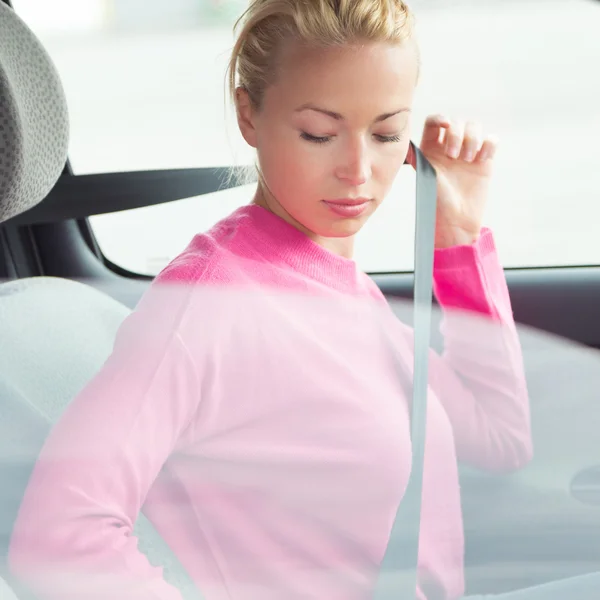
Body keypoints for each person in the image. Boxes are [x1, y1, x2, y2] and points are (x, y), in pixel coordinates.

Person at [6, 1, 599, 599]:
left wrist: (459, 238)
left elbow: (501, 438)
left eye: (388, 132)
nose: (359, 170)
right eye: (319, 133)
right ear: (249, 115)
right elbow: (60, 536)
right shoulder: (207, 305)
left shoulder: (349, 293)